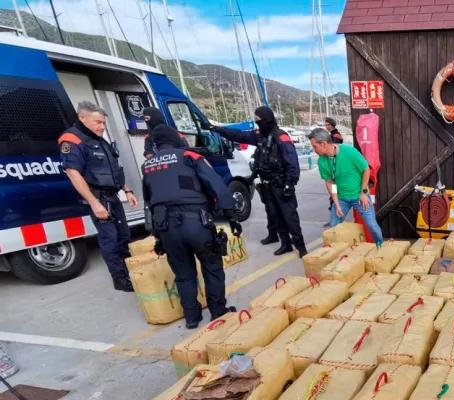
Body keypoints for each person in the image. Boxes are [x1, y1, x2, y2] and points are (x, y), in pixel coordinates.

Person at [141, 125, 239, 329]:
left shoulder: (148, 166)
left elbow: (149, 202)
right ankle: (218, 311)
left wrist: (158, 236)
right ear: (174, 138)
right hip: (196, 222)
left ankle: (192, 317)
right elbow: (216, 185)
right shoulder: (190, 156)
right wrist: (231, 216)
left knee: (183, 274)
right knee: (212, 267)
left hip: (166, 227)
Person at [59, 101, 138, 292]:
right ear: (82, 118)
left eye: (103, 122)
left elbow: (113, 169)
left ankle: (132, 273)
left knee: (124, 236)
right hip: (99, 198)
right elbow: (73, 173)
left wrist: (127, 190)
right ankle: (120, 279)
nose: (102, 127)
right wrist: (94, 204)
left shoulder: (99, 140)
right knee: (110, 239)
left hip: (112, 196)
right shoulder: (72, 139)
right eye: (98, 122)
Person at [210, 107, 305, 256]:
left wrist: (289, 183)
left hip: (281, 184)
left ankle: (301, 248)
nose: (257, 124)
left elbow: (292, 161)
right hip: (267, 184)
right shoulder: (260, 136)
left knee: (289, 216)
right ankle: (286, 244)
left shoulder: (281, 137)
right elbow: (238, 135)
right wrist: (217, 129)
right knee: (275, 216)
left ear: (266, 120)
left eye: (258, 121)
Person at [308, 127, 383, 245]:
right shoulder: (322, 161)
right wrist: (336, 203)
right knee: (333, 226)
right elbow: (330, 182)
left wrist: (363, 192)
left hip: (359, 195)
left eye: (315, 146)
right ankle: (336, 252)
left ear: (323, 144)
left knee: (372, 225)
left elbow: (366, 170)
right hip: (342, 199)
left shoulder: (349, 152)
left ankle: (380, 247)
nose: (314, 150)